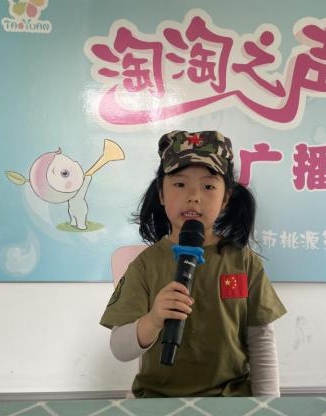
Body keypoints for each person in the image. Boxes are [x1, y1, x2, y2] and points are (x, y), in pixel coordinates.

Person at [100, 130, 287, 398]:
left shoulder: (243, 261)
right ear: (161, 194)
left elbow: (261, 341)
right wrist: (153, 319)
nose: (194, 196)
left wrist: (266, 407)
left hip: (231, 400)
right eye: (179, 184)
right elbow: (120, 349)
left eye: (208, 186)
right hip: (158, 399)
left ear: (226, 198)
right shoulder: (145, 265)